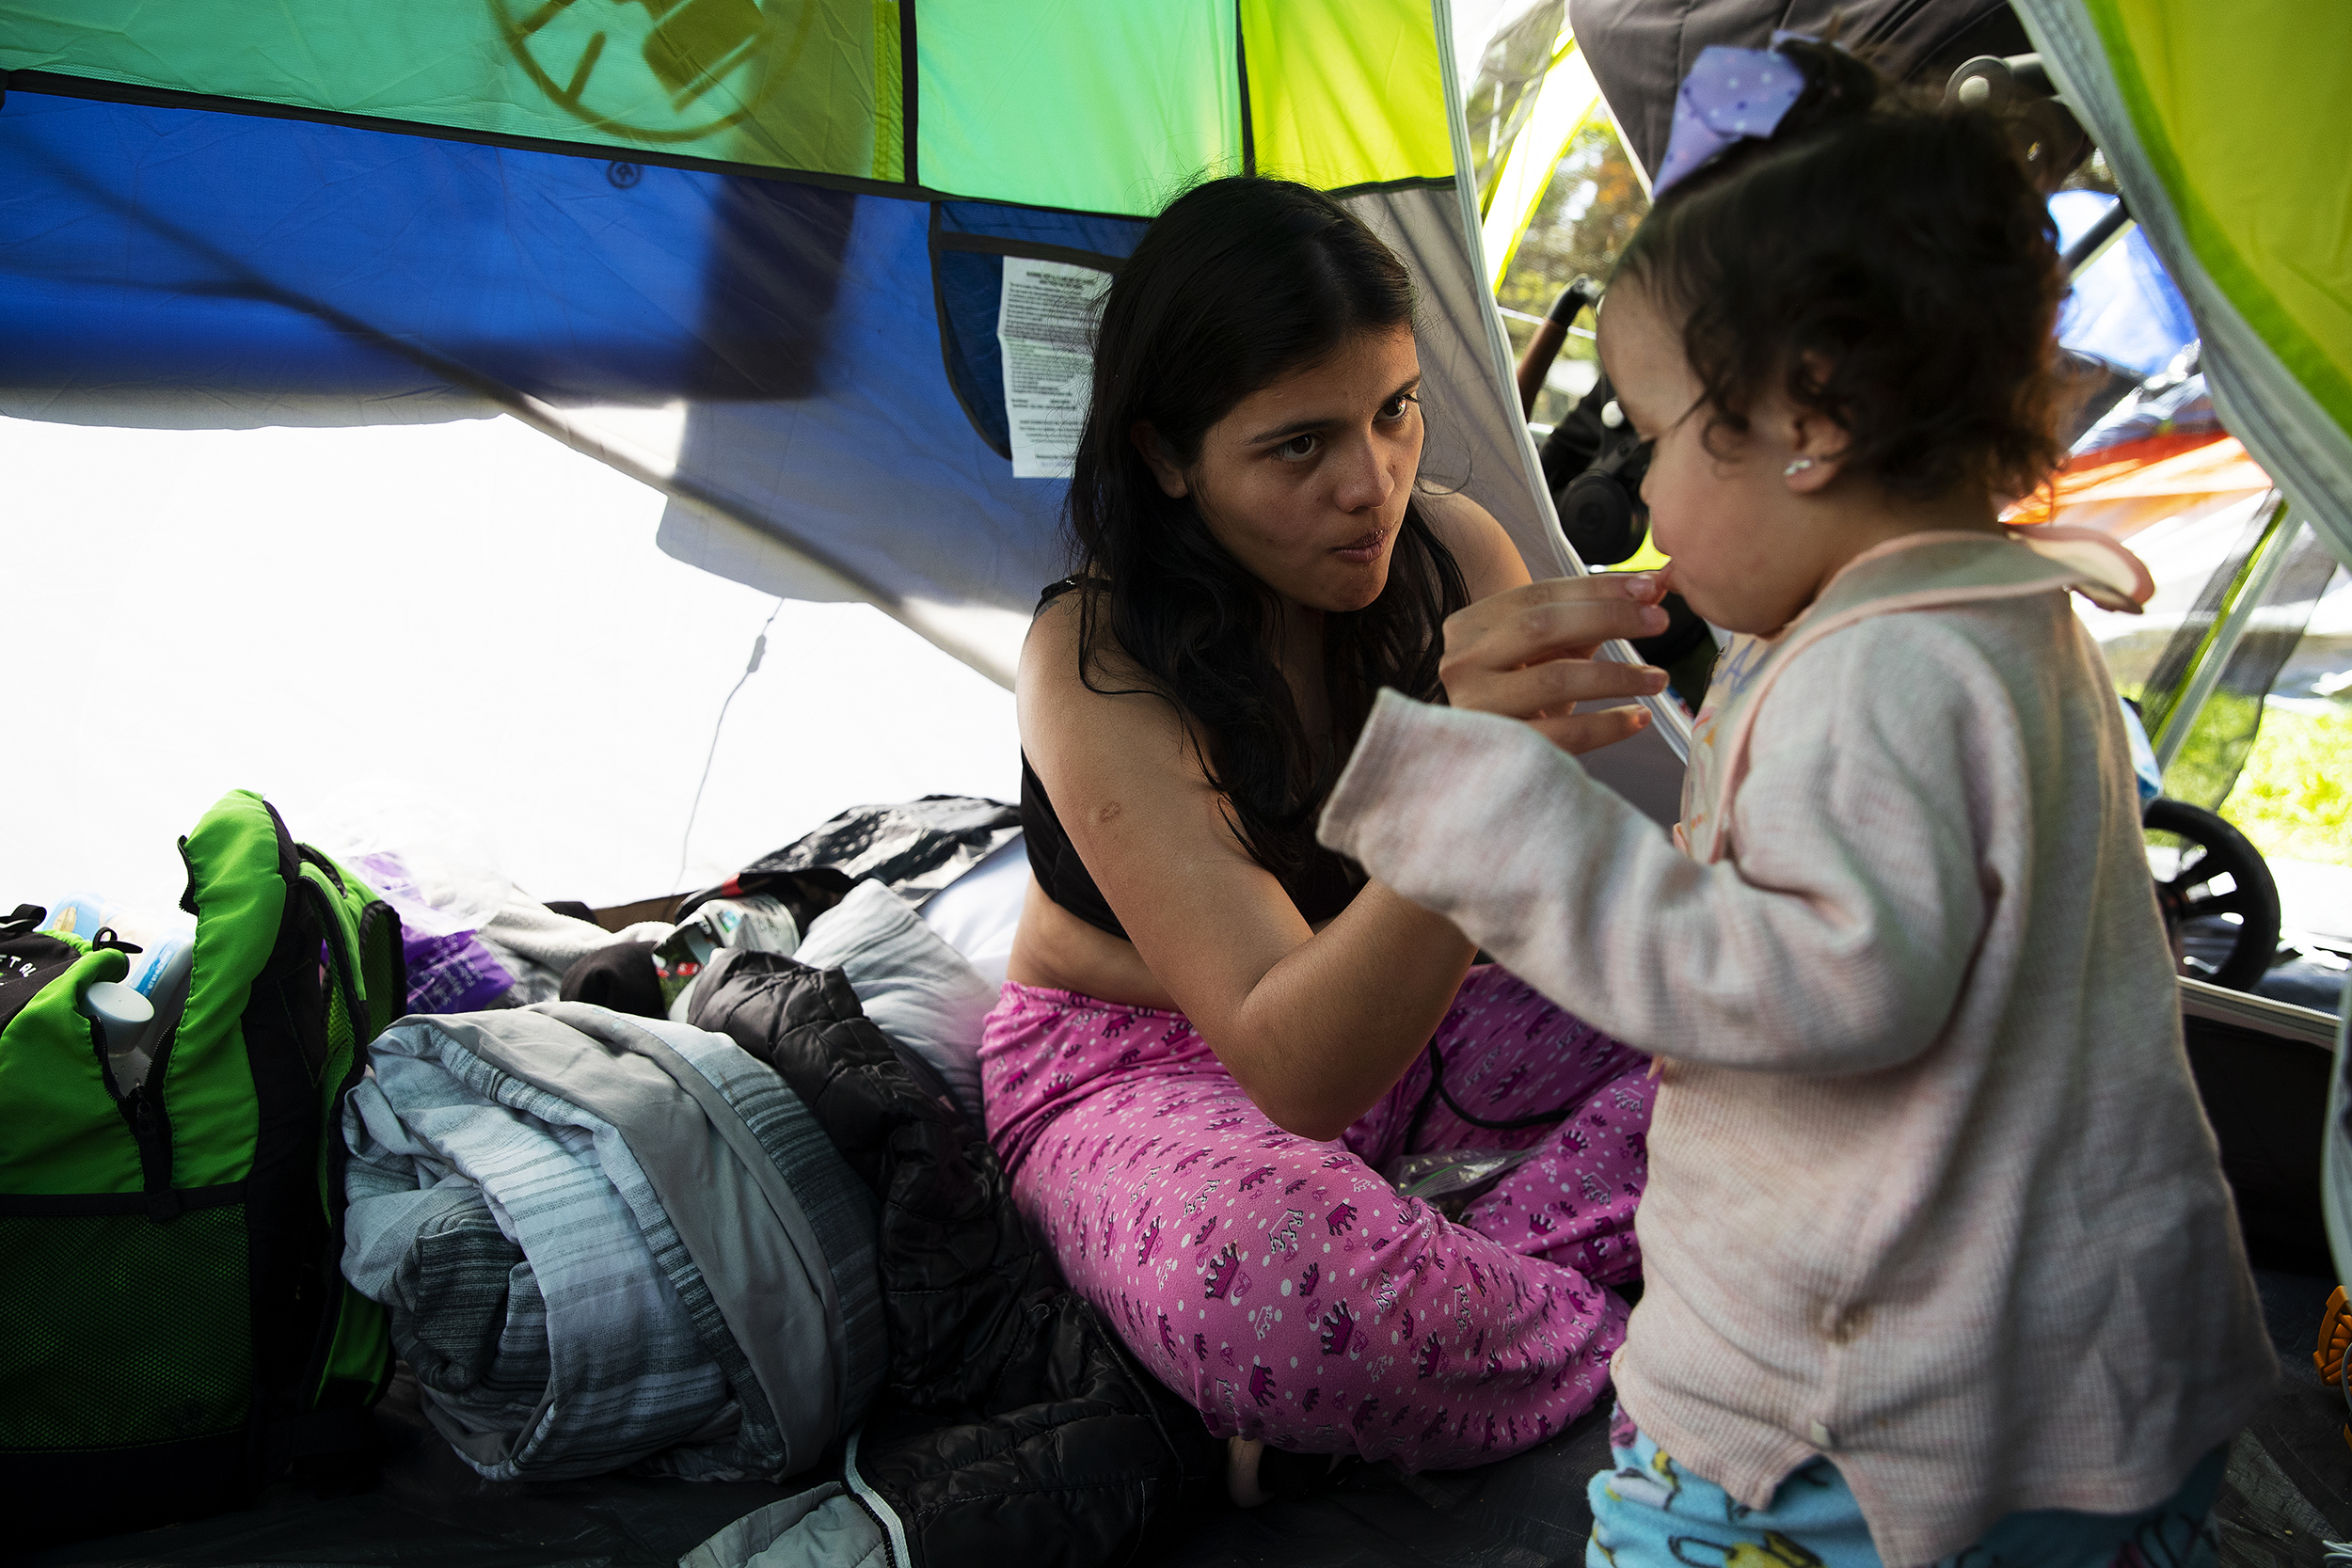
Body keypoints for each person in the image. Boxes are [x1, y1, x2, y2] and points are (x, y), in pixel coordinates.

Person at [1314, 39, 2277, 1567]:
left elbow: (1814, 979)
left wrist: (1499, 817)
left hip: (1868, 1437)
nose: (1642, 500)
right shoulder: (2002, 624)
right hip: (2085, 1382)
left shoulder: (1880, 675)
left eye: (1659, 435)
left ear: (1811, 421)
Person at [977, 176, 1672, 1496]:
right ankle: (1632, 1339)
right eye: (1299, 446)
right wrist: (1466, 774)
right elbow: (1300, 1069)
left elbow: (1542, 916)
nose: (1374, 486)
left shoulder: (1454, 557)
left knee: (1792, 1033)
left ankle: (1461, 1278)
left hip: (1424, 1017)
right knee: (1283, 1289)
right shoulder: (1094, 654)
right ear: (1169, 455)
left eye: (1396, 411)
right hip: (1145, 1075)